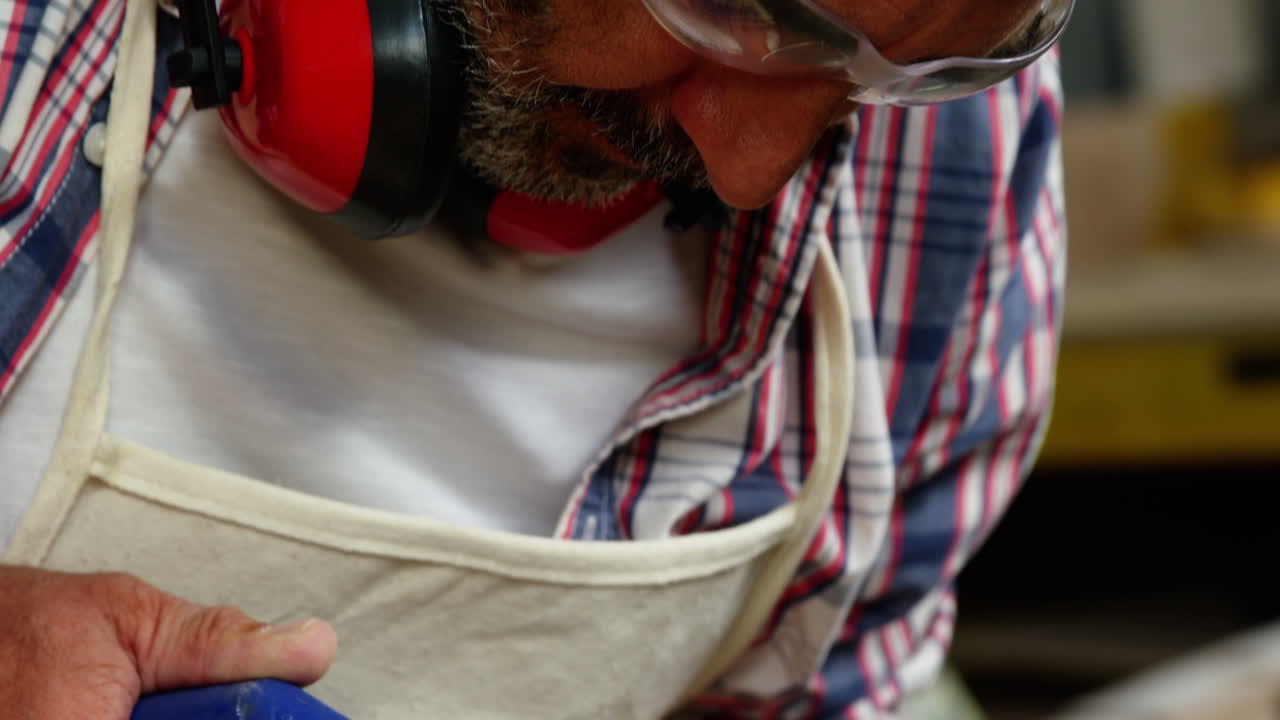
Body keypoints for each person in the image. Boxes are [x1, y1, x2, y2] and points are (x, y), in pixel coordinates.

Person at [0, 0, 1067, 716]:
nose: (750, 170)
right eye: (733, 12)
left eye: (872, 85)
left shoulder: (958, 122)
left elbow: (833, 678)